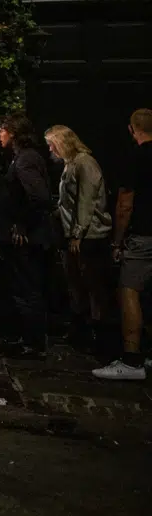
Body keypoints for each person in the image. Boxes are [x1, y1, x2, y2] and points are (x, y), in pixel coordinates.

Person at [45, 125, 114, 355]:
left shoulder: (85, 163)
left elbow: (87, 200)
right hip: (74, 233)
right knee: (77, 282)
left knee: (91, 283)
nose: (50, 150)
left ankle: (98, 335)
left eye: (52, 144)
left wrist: (78, 232)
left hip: (89, 235)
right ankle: (82, 329)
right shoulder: (71, 164)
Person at [95, 108, 152, 380]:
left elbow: (125, 204)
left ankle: (132, 360)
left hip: (142, 234)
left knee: (130, 290)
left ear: (132, 129)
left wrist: (117, 241)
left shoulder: (135, 158)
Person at [0, 113, 56, 359]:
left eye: (3, 130)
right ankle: (30, 339)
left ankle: (33, 342)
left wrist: (22, 224)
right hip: (30, 235)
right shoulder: (25, 158)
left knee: (27, 288)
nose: (0, 135)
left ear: (13, 133)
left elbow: (40, 198)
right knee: (26, 287)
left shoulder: (25, 160)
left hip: (28, 239)